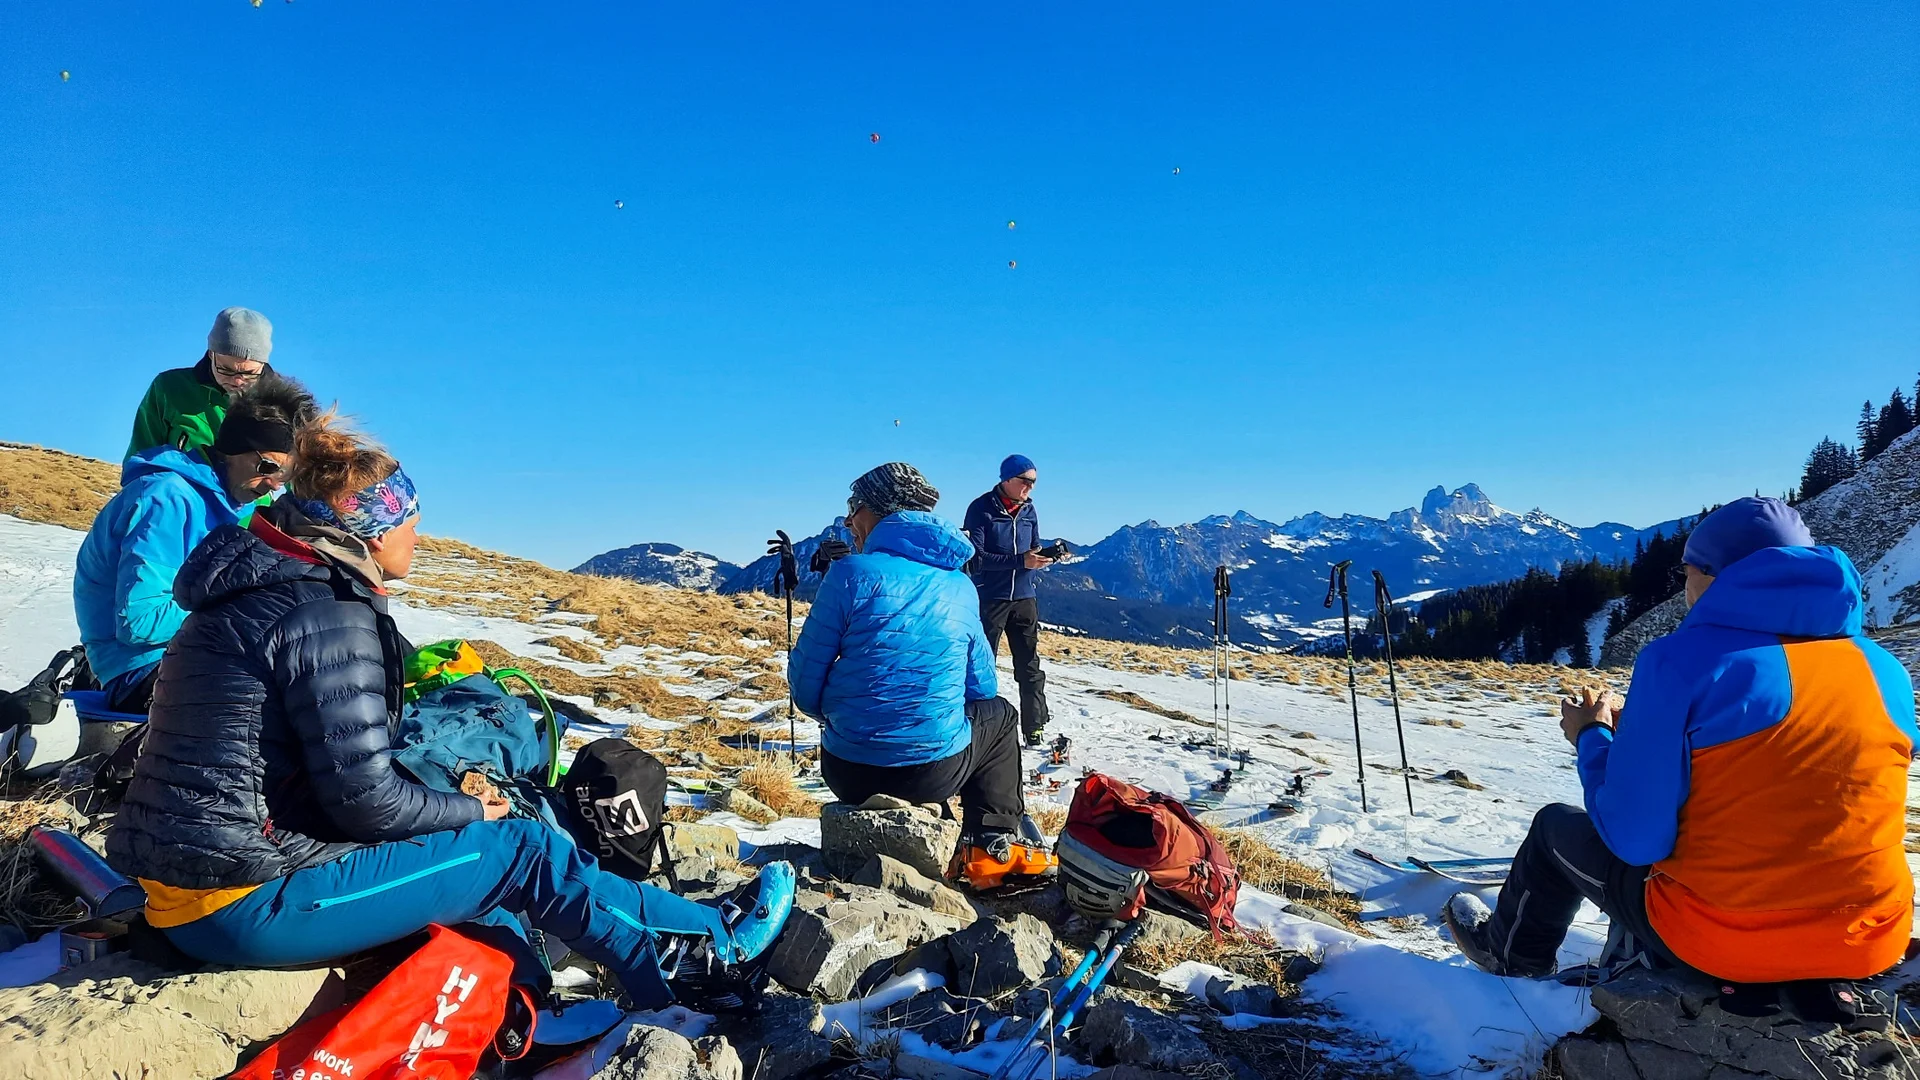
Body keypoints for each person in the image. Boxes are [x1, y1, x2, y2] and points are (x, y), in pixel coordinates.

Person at [105, 413, 794, 1010]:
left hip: (191, 885)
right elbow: (364, 802)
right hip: (241, 900)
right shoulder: (326, 614)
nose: (418, 531)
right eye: (409, 518)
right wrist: (472, 811)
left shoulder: (265, 591)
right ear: (371, 530)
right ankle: (704, 953)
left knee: (471, 858)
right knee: (520, 848)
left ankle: (543, 1000)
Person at [1444, 497, 1916, 988]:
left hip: (1728, 940)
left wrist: (1591, 735)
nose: (1685, 586)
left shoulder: (1681, 660)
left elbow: (1634, 839)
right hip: (1872, 937)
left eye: (1688, 571)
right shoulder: (1884, 669)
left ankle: (1510, 962)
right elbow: (1788, 768)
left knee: (1553, 828)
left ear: (1717, 575)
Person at [790, 462, 1057, 890]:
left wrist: (851, 712)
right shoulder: (960, 586)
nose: (849, 520)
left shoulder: (849, 574)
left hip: (847, 771)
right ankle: (990, 845)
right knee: (1001, 715)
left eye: (854, 507)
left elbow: (804, 688)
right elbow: (982, 689)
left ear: (879, 510)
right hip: (933, 775)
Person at [75, 372, 317, 712]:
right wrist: (240, 604)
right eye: (268, 467)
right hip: (139, 670)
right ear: (232, 449)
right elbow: (138, 622)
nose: (274, 485)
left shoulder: (230, 504)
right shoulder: (168, 500)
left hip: (183, 656)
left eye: (285, 475)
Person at [962, 454, 1054, 746]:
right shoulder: (980, 509)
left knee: (1029, 666)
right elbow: (975, 558)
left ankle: (1034, 726)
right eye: (1026, 481)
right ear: (1007, 479)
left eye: (1034, 482)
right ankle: (976, 726)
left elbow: (1033, 546)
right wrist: (1020, 561)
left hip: (1025, 598)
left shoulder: (1029, 510)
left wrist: (1042, 557)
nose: (1030, 487)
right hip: (991, 599)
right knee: (981, 666)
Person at [127, 307, 278, 459]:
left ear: (263, 364)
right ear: (211, 353)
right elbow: (141, 457)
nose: (237, 381)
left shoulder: (282, 403)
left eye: (250, 373)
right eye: (226, 369)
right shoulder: (169, 388)